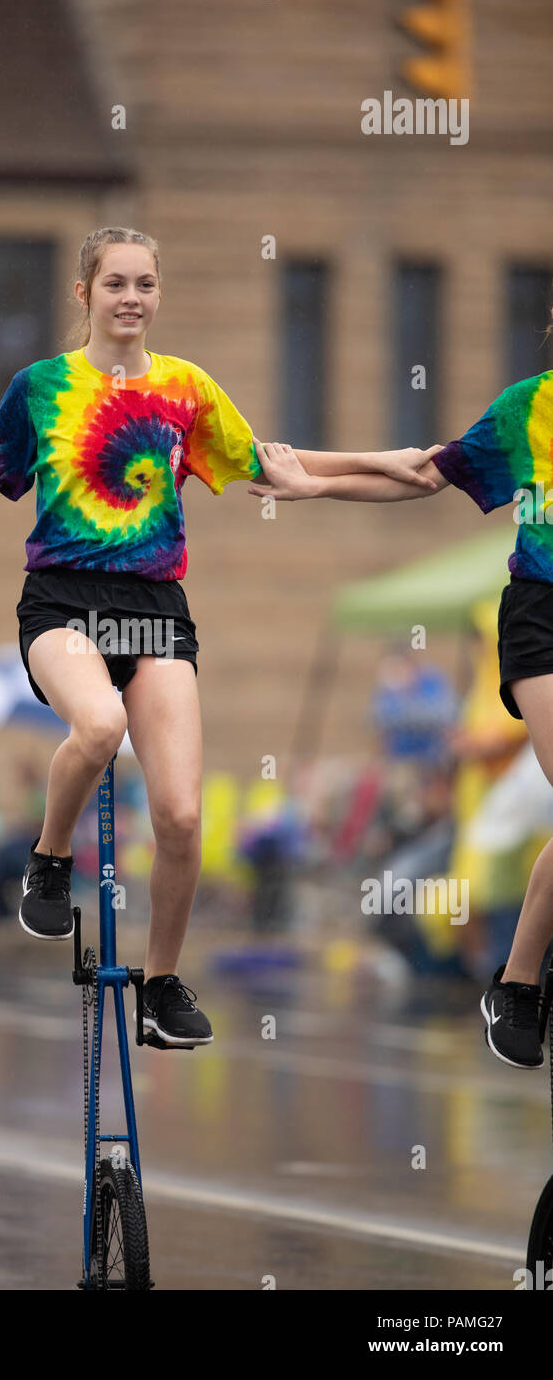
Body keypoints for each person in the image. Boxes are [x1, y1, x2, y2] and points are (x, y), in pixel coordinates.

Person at [0, 226, 434, 1048]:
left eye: (145, 283)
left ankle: (164, 984)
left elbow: (275, 466)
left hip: (156, 610)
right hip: (61, 604)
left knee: (179, 817)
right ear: (85, 295)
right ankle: (49, 856)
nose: (131, 298)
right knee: (100, 727)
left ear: (158, 294)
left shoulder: (186, 390)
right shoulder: (41, 388)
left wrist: (394, 464)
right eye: (115, 284)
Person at [247, 342, 553, 1070]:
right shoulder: (529, 408)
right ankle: (516, 985)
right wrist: (310, 478)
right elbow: (422, 470)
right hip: (544, 614)